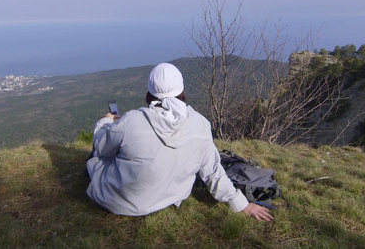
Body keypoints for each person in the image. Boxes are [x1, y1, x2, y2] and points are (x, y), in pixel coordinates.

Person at [86, 63, 273, 221]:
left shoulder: (132, 120)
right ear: (181, 91)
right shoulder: (200, 125)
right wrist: (241, 204)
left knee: (98, 159)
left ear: (149, 92)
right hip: (169, 198)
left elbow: (102, 147)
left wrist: (105, 122)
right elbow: (213, 172)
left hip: (122, 203)